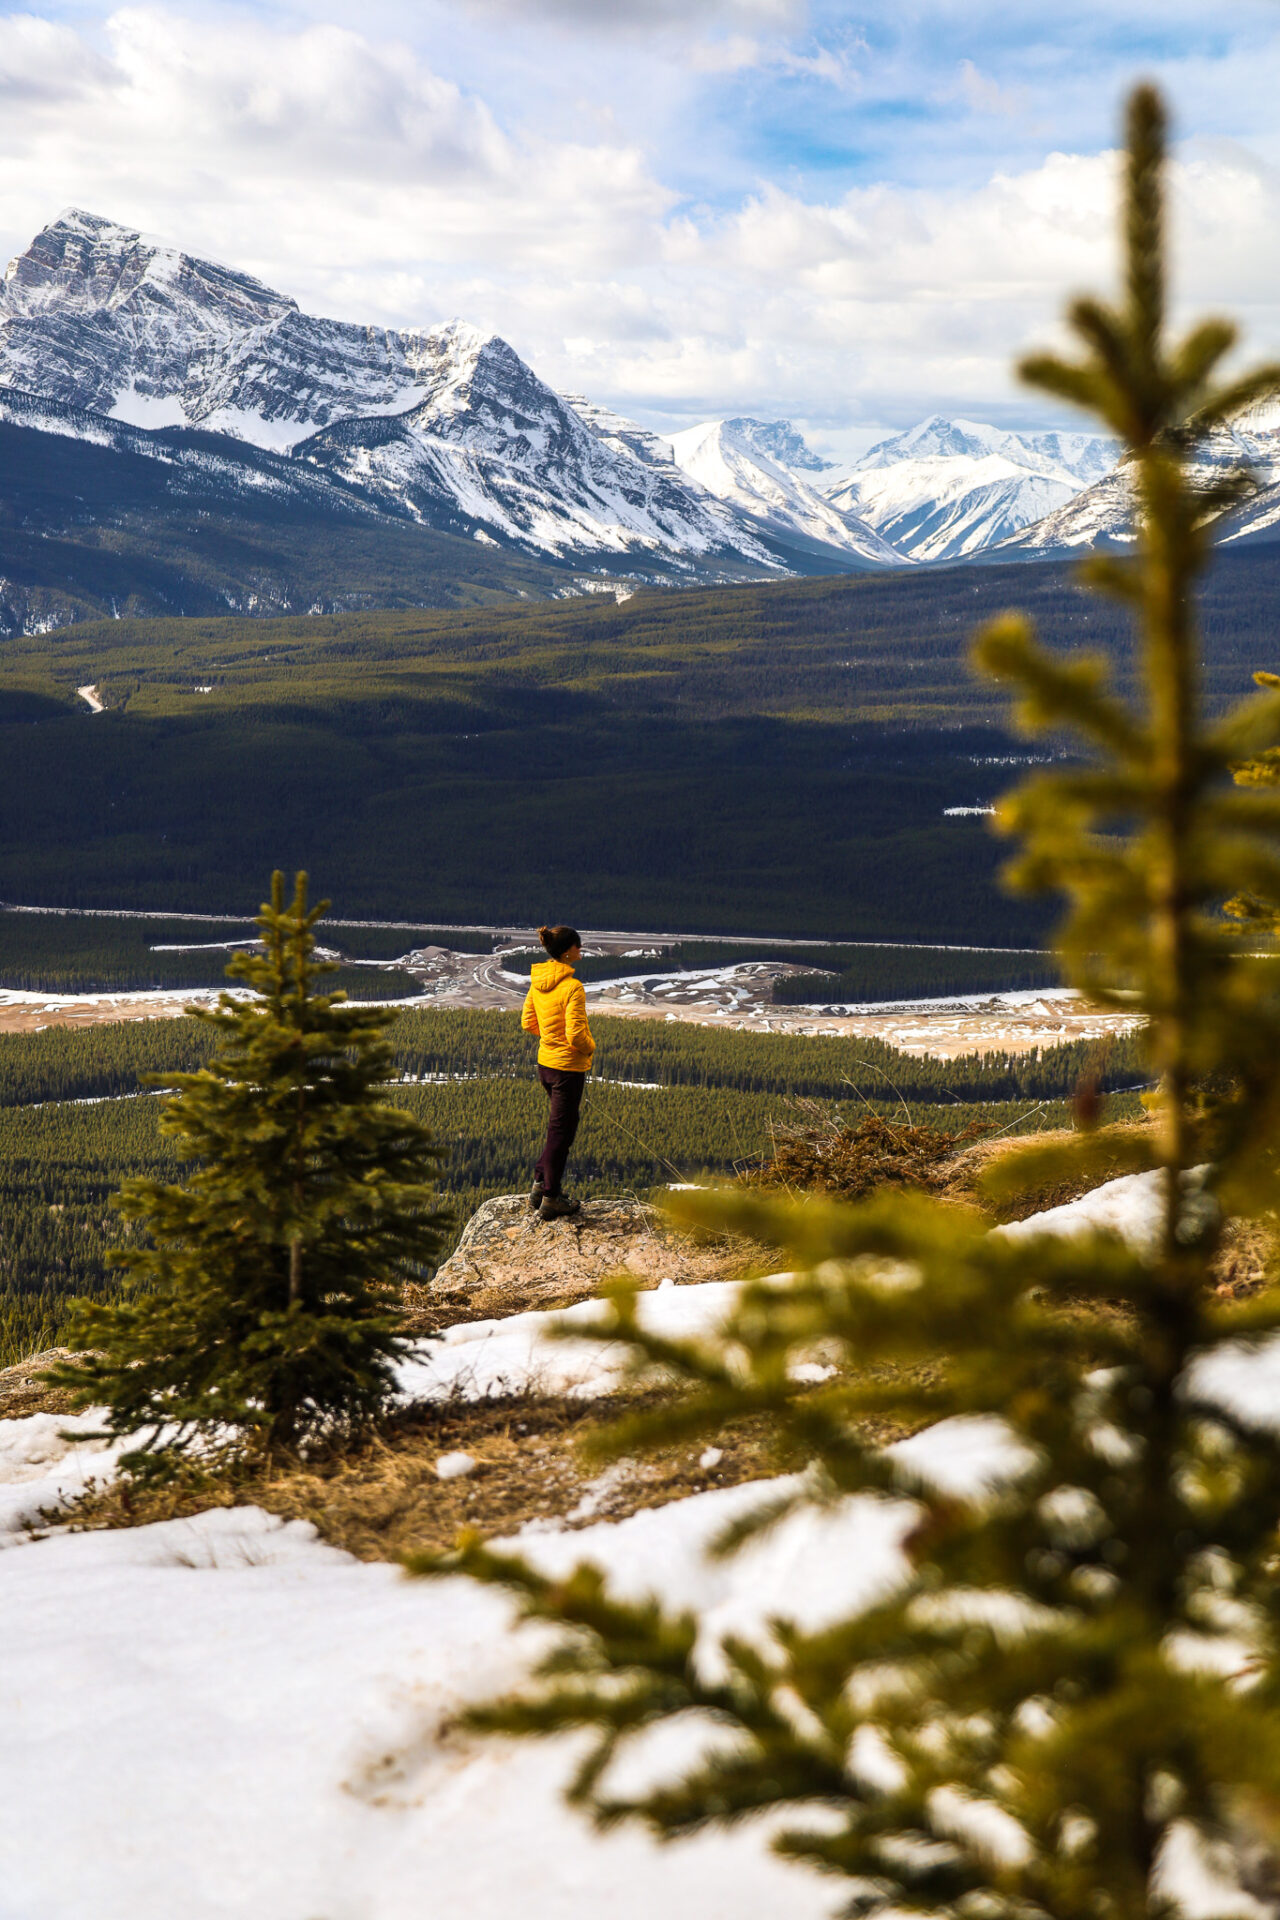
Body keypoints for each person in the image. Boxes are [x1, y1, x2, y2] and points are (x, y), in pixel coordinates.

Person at [521, 924, 596, 1220]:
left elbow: (528, 1021)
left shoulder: (538, 981)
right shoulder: (572, 987)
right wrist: (590, 1048)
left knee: (558, 1128)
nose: (581, 950)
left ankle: (540, 1185)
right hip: (567, 1067)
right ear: (568, 951)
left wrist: (550, 1041)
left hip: (546, 1065)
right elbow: (576, 1035)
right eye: (578, 946)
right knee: (561, 1132)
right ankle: (551, 1197)